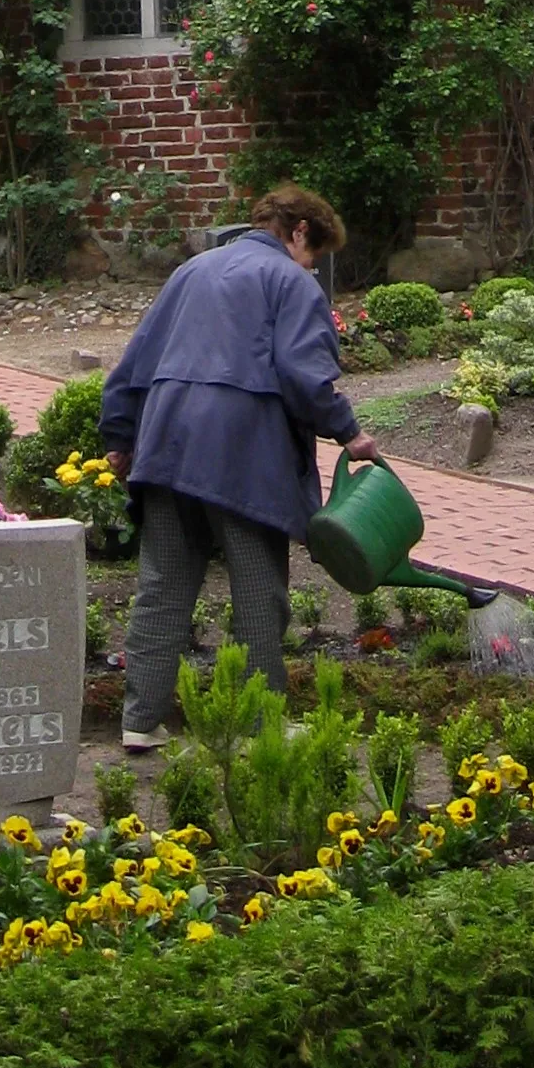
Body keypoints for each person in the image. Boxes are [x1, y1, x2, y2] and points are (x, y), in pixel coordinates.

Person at [100, 185, 379, 752]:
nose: (314, 267)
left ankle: (140, 720)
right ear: (299, 232)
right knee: (257, 590)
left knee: (163, 586)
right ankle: (258, 726)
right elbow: (304, 377)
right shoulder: (290, 282)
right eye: (316, 254)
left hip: (167, 444)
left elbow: (135, 363)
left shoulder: (192, 272)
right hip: (242, 454)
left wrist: (120, 436)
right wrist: (350, 433)